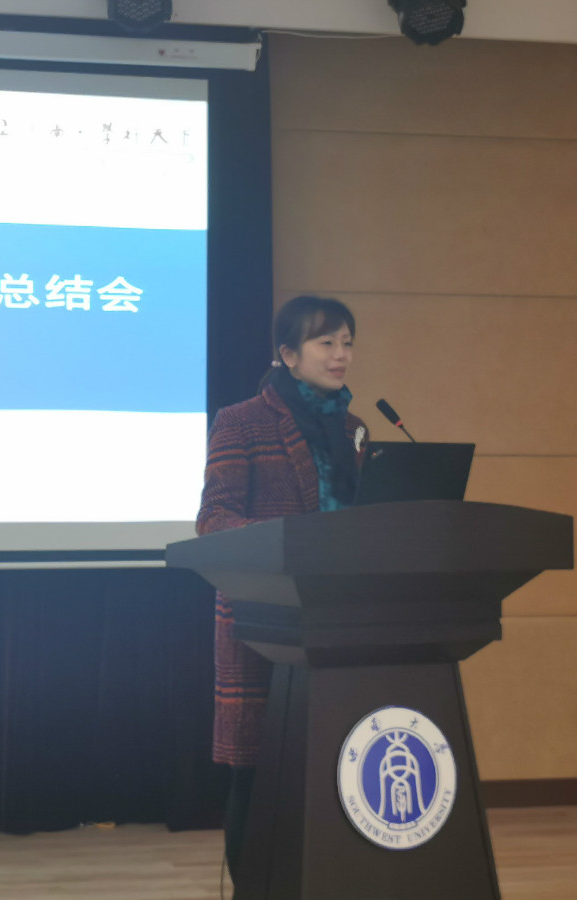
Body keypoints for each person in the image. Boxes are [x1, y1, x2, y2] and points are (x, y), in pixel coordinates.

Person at [196, 295, 368, 881]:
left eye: (347, 343)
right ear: (289, 355)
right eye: (327, 343)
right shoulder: (241, 420)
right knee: (259, 770)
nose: (341, 355)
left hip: (341, 620)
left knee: (335, 762)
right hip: (266, 620)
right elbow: (214, 517)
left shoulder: (353, 429)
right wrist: (286, 542)